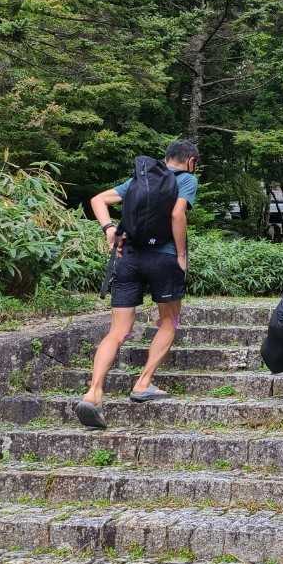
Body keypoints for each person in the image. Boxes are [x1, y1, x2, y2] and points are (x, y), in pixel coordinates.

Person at [77, 139, 199, 429]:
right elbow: (177, 213)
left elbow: (98, 200)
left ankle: (93, 393)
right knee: (169, 321)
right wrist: (181, 255)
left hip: (128, 258)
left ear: (166, 158)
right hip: (164, 258)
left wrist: (109, 229)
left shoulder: (139, 180)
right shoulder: (187, 180)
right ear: (191, 161)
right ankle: (143, 383)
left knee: (118, 331)